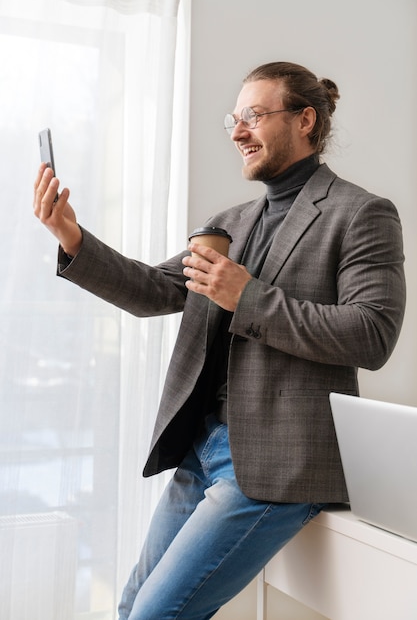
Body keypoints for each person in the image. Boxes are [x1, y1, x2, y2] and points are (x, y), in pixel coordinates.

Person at [33, 61, 406, 620]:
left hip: (278, 464)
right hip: (202, 450)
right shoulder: (229, 221)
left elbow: (371, 334)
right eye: (234, 118)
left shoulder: (361, 214)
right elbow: (151, 291)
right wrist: (72, 236)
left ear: (306, 120)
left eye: (254, 115)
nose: (237, 131)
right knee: (133, 606)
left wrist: (247, 297)